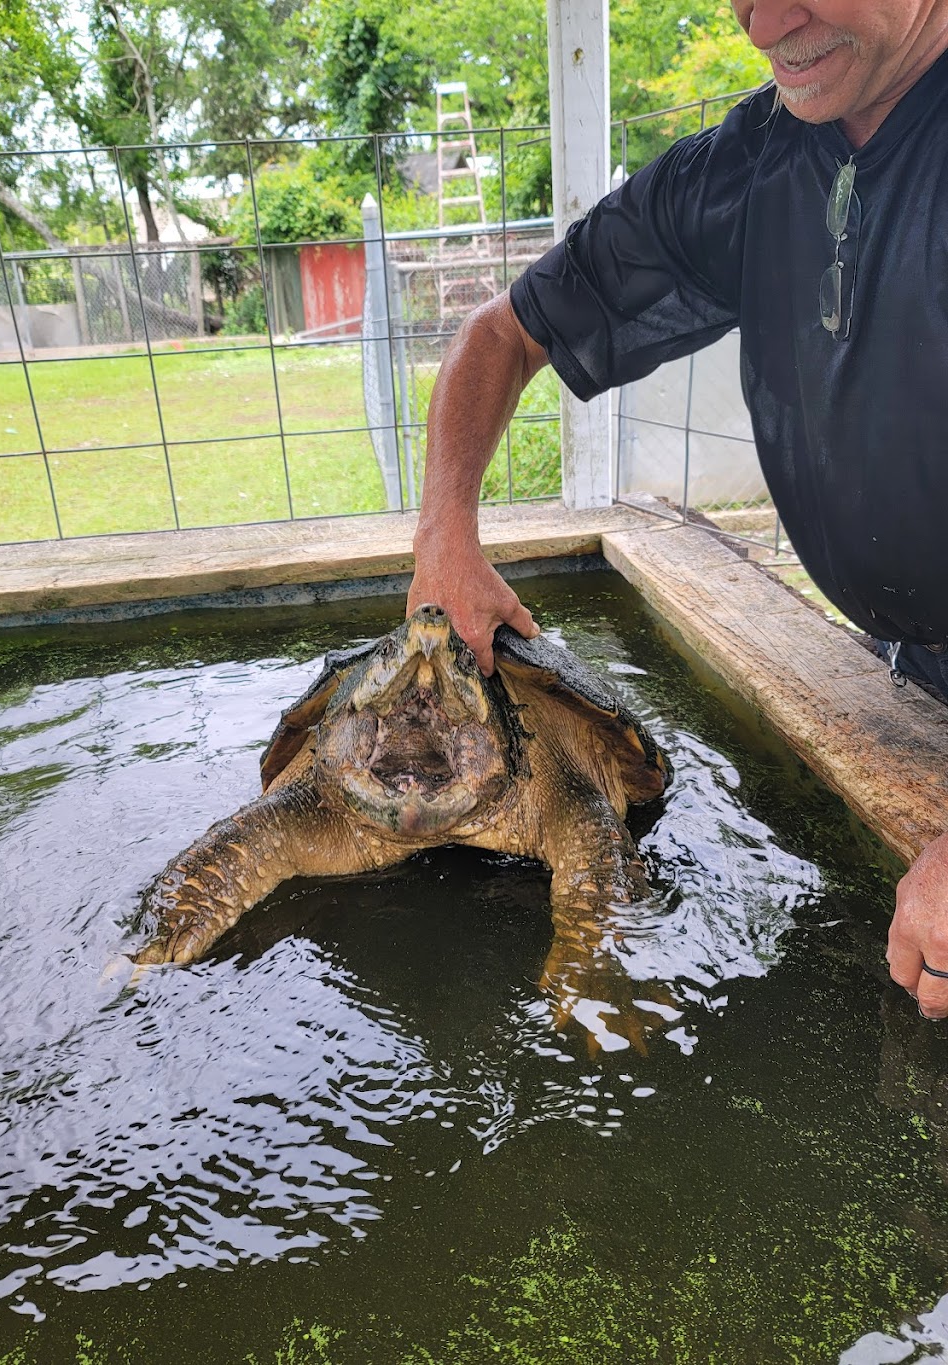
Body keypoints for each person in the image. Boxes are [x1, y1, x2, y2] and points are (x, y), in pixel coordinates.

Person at [406, 1, 948, 1019]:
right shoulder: (756, 165)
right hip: (910, 660)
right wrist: (445, 542)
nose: (763, 25)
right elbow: (500, 334)